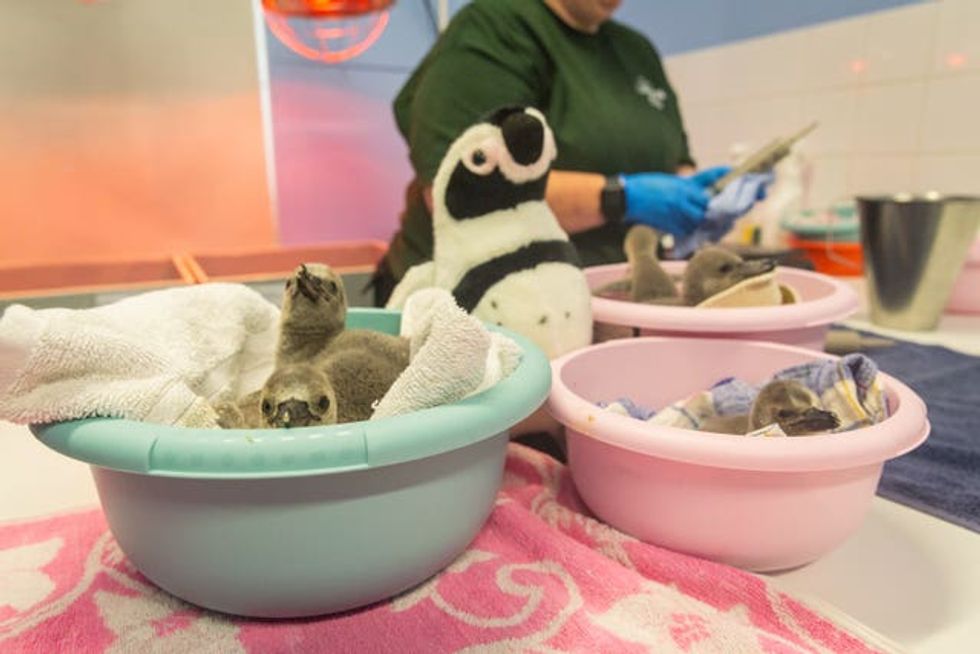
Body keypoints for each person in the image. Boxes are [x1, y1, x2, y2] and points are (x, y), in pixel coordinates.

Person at [371, 0, 766, 307]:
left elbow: (675, 160)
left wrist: (699, 200)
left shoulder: (635, 51)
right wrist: (621, 197)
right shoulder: (496, 28)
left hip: (603, 301)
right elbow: (462, 192)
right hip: (478, 304)